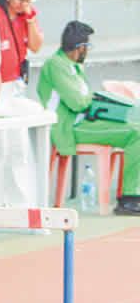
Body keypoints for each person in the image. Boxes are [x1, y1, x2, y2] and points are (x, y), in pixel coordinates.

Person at [36, 21, 140, 215]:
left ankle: (131, 194)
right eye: (87, 47)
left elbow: (83, 99)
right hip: (66, 128)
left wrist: (91, 99)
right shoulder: (56, 65)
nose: (87, 51)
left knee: (136, 125)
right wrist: (91, 98)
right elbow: (78, 102)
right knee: (137, 134)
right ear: (80, 48)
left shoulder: (74, 66)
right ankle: (130, 200)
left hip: (82, 122)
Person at [0, 0, 46, 206]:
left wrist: (30, 19)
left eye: (29, 0)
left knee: (18, 149)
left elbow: (36, 45)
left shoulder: (26, 15)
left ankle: (20, 201)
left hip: (15, 88)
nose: (24, 5)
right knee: (0, 150)